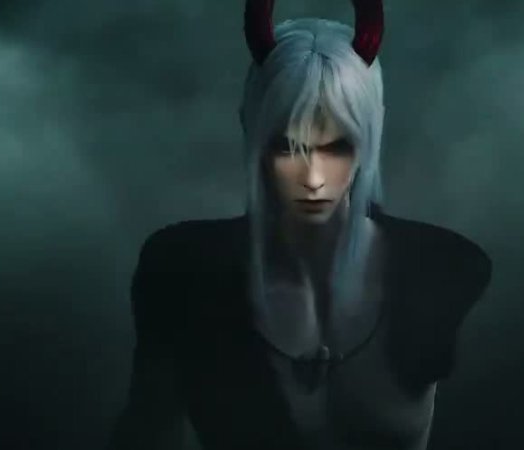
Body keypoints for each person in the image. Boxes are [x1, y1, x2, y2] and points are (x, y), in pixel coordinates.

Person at [108, 1, 492, 449]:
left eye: (337, 147)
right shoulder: (181, 272)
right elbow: (148, 429)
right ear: (252, 131)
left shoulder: (448, 270)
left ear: (369, 138)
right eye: (289, 148)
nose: (313, 179)